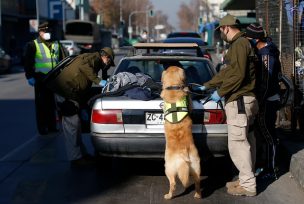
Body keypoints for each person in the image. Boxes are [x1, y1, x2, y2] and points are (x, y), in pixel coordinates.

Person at [196, 14, 259, 196]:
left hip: (239, 100)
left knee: (238, 144)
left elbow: (238, 76)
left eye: (221, 30)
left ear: (226, 28)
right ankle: (245, 179)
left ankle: (248, 185)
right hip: (244, 99)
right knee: (246, 142)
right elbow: (228, 73)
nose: (220, 34)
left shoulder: (239, 45)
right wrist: (208, 85)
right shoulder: (239, 44)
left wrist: (220, 93)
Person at [50, 47, 115, 167]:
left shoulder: (96, 61)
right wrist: (98, 80)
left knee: (76, 126)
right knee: (72, 127)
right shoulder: (93, 58)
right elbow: (82, 64)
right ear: (105, 57)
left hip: (71, 94)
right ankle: (75, 159)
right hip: (64, 93)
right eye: (109, 62)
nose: (108, 65)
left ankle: (82, 155)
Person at [245, 23, 282, 179]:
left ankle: (271, 170)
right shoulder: (263, 51)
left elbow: (266, 84)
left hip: (267, 101)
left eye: (248, 38)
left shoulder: (267, 56)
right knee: (264, 134)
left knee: (268, 135)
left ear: (255, 39)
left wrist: (258, 101)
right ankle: (265, 165)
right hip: (265, 100)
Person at [24, 21, 67, 135]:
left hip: (54, 79)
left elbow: (64, 59)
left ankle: (52, 126)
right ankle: (42, 127)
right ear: (40, 32)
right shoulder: (33, 45)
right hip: (40, 79)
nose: (48, 33)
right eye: (46, 31)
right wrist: (29, 76)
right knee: (41, 105)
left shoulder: (57, 43)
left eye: (49, 31)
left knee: (52, 104)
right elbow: (27, 62)